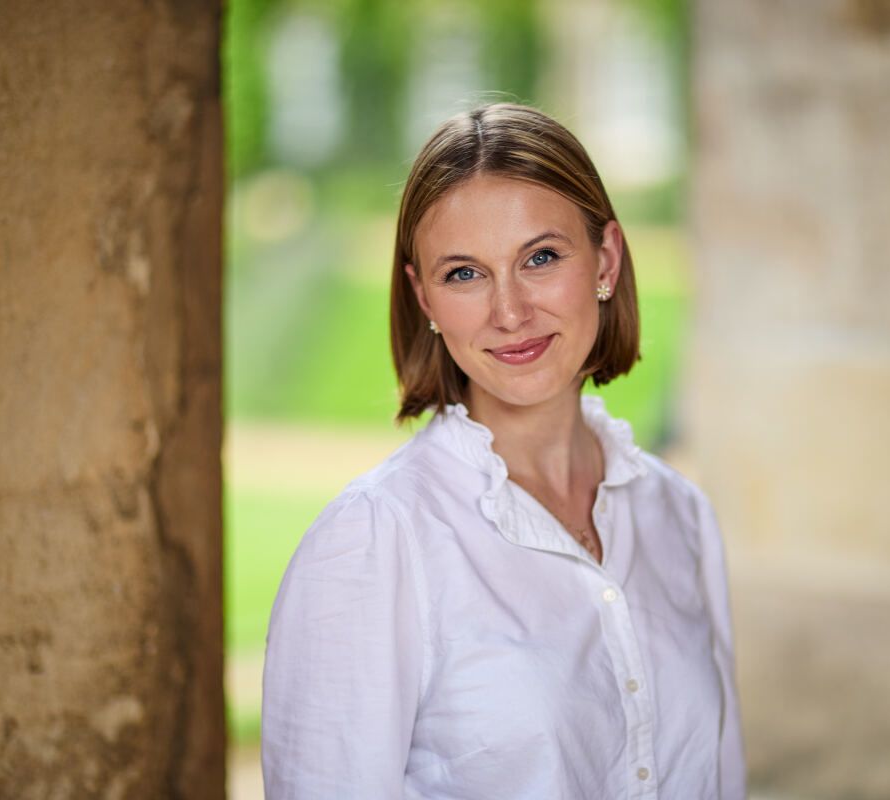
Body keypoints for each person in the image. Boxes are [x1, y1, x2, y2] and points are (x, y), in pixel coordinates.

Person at [261, 102, 746, 799]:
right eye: (464, 273)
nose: (510, 312)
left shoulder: (682, 518)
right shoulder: (374, 544)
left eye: (541, 257)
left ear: (605, 260)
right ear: (422, 296)